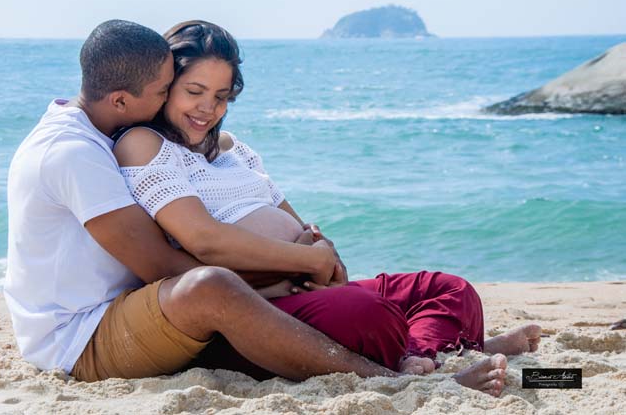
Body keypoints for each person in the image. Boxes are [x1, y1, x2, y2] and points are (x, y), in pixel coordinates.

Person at [113, 20, 542, 396]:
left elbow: (295, 220)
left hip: (304, 284)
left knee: (451, 289)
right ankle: (437, 355)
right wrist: (304, 260)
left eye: (222, 95)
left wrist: (322, 252)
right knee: (372, 318)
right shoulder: (146, 145)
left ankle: (420, 355)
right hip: (260, 305)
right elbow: (203, 240)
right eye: (195, 91)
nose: (208, 107)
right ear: (166, 85)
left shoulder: (232, 148)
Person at [5, 19, 408, 387]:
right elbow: (160, 266)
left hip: (129, 310)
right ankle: (382, 379)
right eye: (166, 90)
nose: (173, 101)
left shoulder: (99, 133)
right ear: (121, 101)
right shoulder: (72, 152)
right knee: (211, 284)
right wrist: (292, 266)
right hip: (79, 337)